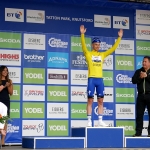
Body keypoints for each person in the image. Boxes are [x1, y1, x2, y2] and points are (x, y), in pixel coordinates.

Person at [80, 25, 123, 127]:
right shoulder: (88, 54)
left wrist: (119, 38)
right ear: (92, 45)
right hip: (91, 79)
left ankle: (100, 120)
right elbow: (83, 46)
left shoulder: (102, 55)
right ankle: (89, 120)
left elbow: (113, 49)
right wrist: (82, 34)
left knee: (100, 100)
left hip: (100, 80)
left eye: (99, 45)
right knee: (90, 100)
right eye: (96, 44)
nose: (97, 46)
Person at [132, 56, 150, 137]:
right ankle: (138, 133)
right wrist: (140, 77)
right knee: (139, 115)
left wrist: (147, 76)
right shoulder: (138, 71)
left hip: (149, 95)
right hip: (140, 96)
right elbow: (133, 81)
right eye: (143, 61)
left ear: (149, 63)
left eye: (145, 61)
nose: (143, 63)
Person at [0, 66, 13, 146]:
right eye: (4, 70)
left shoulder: (9, 81)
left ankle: (2, 140)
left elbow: (11, 93)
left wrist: (8, 86)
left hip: (6, 102)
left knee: (4, 121)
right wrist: (4, 86)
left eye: (6, 70)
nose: (5, 72)